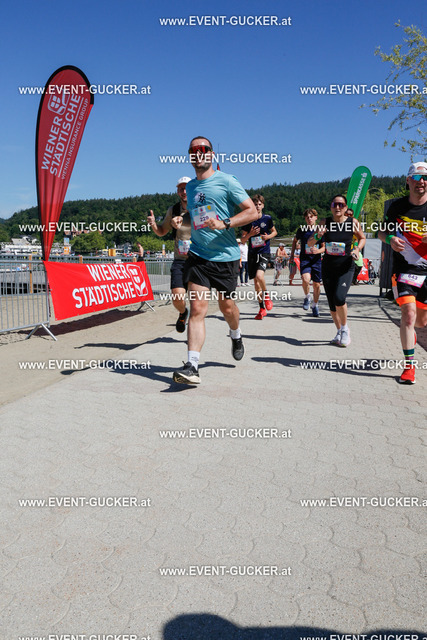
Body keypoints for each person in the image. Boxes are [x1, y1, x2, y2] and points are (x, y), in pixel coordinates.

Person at [173, 136, 258, 384]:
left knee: (227, 308)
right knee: (197, 309)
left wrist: (225, 223)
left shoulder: (227, 181)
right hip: (199, 255)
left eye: (204, 149)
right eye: (193, 150)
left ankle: (236, 334)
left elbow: (252, 211)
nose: (198, 153)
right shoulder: (191, 187)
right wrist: (182, 221)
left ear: (211, 154)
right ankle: (192, 366)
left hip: (225, 257)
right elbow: (196, 217)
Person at [379, 162, 427, 384]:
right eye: (416, 178)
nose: (421, 182)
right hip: (405, 270)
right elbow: (381, 232)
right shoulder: (397, 207)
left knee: (420, 322)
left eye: (425, 178)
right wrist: (390, 239)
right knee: (408, 314)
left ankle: (412, 333)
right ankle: (409, 367)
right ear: (408, 181)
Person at [308, 195, 365, 346]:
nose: (338, 207)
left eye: (341, 204)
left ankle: (345, 329)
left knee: (339, 298)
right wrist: (318, 235)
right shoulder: (324, 222)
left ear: (345, 207)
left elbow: (362, 238)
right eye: (335, 204)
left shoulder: (353, 222)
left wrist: (357, 249)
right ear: (331, 207)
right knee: (332, 304)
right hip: (328, 267)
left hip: (345, 267)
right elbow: (310, 242)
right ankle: (339, 331)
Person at [147, 177, 192, 333]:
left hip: (199, 260)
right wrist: (153, 224)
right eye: (181, 188)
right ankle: (183, 312)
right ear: (177, 191)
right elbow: (162, 231)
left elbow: (213, 227)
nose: (184, 191)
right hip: (180, 260)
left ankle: (194, 335)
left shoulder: (202, 207)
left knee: (198, 302)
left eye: (186, 188)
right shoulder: (173, 210)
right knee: (177, 297)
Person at [241, 195, 277, 320]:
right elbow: (243, 240)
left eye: (259, 204)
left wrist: (268, 237)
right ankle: (261, 308)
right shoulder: (248, 220)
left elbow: (274, 232)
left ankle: (266, 296)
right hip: (252, 254)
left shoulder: (267, 218)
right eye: (255, 204)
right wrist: (250, 234)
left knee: (259, 276)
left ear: (263, 205)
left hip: (264, 252)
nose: (257, 206)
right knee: (256, 283)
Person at [290, 209, 324, 316]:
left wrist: (318, 251)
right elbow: (295, 241)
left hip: (316, 261)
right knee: (305, 279)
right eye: (307, 217)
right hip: (305, 259)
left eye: (311, 216)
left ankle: (315, 305)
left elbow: (324, 247)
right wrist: (292, 255)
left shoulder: (320, 231)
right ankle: (307, 297)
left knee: (317, 285)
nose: (309, 219)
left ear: (316, 217)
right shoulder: (301, 230)